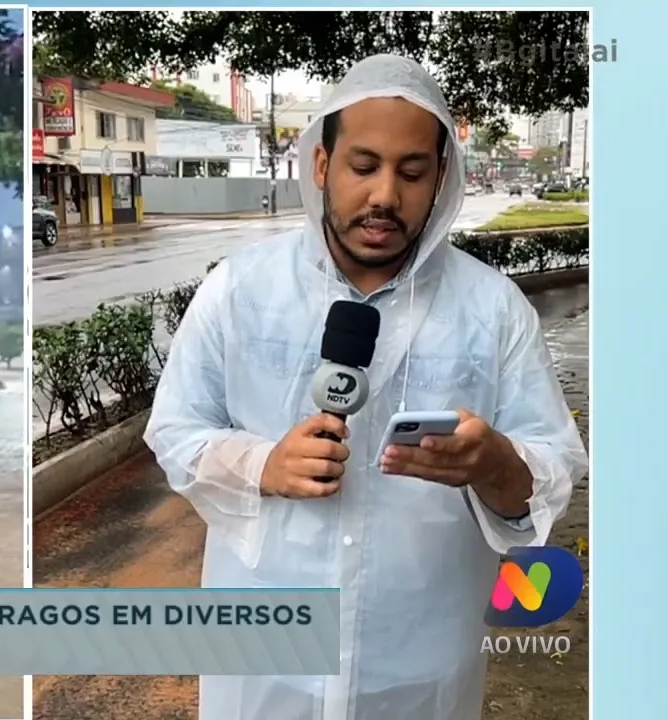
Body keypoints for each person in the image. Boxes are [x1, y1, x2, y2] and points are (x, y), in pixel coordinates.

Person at [143, 54, 588, 720]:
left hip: (416, 670)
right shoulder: (240, 291)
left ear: (440, 178)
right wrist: (263, 463)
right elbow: (176, 429)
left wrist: (497, 465)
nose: (385, 195)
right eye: (363, 166)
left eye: (411, 173)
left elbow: (552, 467)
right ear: (321, 166)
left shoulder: (492, 312)